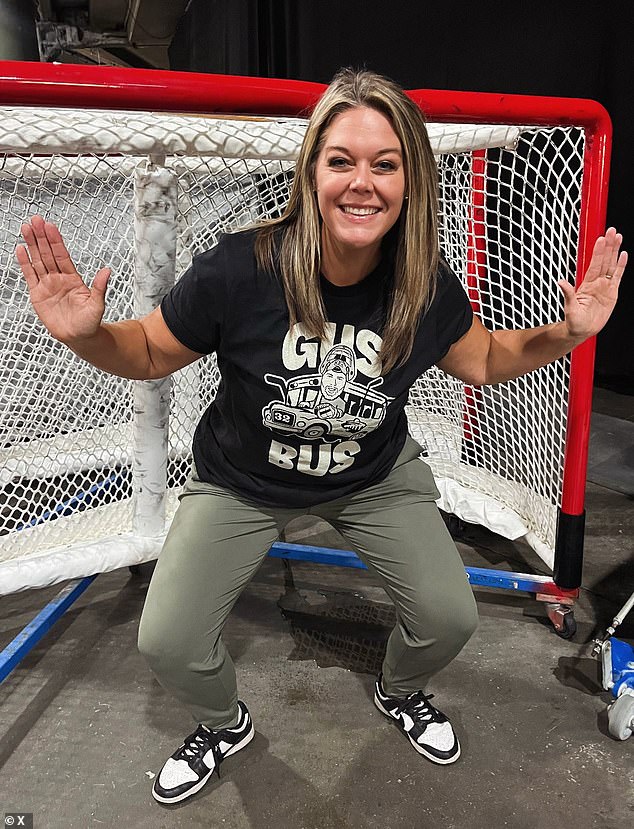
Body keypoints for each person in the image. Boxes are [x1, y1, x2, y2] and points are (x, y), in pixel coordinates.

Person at [16, 68, 627, 805]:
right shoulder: (241, 267)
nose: (361, 182)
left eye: (384, 163)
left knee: (447, 617)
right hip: (242, 478)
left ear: (409, 181)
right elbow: (147, 351)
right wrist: (88, 338)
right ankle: (223, 722)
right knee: (168, 641)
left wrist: (569, 331)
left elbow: (490, 359)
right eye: (341, 160)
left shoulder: (422, 282)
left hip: (372, 473)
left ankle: (400, 689)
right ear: (311, 171)